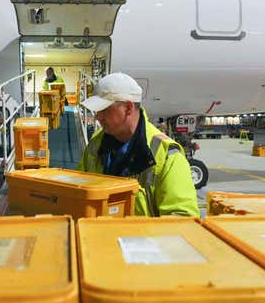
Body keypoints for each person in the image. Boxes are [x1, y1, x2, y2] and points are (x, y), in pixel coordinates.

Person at [77, 73, 199, 217]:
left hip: (140, 238)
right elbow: (80, 190)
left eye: (104, 109)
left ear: (128, 108)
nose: (97, 117)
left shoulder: (166, 155)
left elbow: (182, 218)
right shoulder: (96, 143)